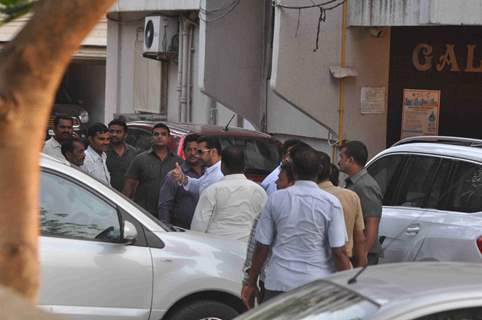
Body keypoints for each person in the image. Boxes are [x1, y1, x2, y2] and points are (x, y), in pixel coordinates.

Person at [242, 144, 351, 307]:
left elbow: (262, 246)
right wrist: (349, 286)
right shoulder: (331, 203)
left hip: (278, 283)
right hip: (316, 284)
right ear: (320, 171)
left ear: (293, 171)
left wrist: (251, 282)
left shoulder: (276, 199)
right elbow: (339, 252)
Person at [242, 161, 295, 308]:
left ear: (292, 182)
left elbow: (259, 245)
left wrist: (249, 280)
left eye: (281, 179)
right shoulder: (320, 205)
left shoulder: (274, 204)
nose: (276, 183)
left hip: (274, 282)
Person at [191, 146, 267, 241]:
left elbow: (198, 227)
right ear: (244, 166)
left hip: (214, 248)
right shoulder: (259, 191)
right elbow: (264, 225)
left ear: (222, 166)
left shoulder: (212, 191)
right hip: (244, 249)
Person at [318, 151, 368, 268]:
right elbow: (360, 239)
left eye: (341, 157)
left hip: (313, 266)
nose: (339, 161)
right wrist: (358, 272)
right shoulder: (351, 196)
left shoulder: (301, 197)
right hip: (344, 264)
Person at [338, 140, 383, 265]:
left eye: (342, 157)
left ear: (351, 160)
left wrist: (363, 255)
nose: (339, 161)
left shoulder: (365, 185)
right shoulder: (353, 183)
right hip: (355, 250)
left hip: (363, 254)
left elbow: (372, 221)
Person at [123, 123, 182, 215]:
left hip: (170, 214)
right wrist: (125, 209)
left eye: (163, 134)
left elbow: (184, 186)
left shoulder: (178, 162)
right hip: (144, 213)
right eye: (156, 134)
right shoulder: (140, 159)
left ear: (169, 138)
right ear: (151, 138)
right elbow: (129, 185)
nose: (159, 137)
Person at [158, 134, 203, 228]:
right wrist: (166, 229)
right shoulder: (175, 175)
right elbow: (164, 205)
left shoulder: (209, 174)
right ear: (184, 151)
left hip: (206, 232)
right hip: (182, 232)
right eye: (189, 150)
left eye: (196, 150)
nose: (193, 153)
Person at [106, 119, 137, 192]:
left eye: (118, 132)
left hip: (126, 199)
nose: (114, 134)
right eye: (111, 131)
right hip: (106, 196)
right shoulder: (103, 152)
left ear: (125, 135)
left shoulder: (133, 152)